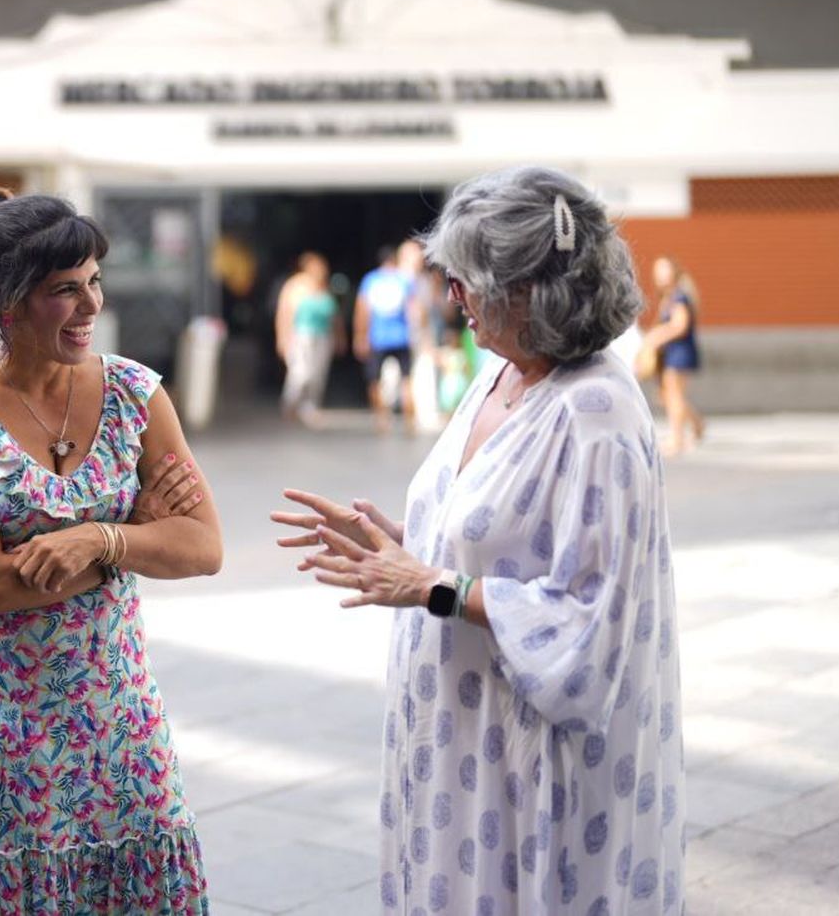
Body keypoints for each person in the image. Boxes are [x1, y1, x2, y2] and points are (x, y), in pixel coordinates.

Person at [273, 167, 684, 914]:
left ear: (529, 289)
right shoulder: (496, 373)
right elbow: (488, 535)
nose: (450, 295)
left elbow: (593, 616)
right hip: (455, 743)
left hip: (527, 763)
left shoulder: (597, 409)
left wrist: (434, 586)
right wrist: (391, 544)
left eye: (466, 280)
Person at [0, 187, 223, 914]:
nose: (90, 307)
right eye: (63, 291)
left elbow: (202, 546)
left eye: (93, 283)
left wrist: (97, 536)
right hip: (6, 722)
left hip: (119, 708)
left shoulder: (137, 395)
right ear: (1, 300)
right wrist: (134, 540)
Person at [642, 256, 705, 455]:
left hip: (680, 351)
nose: (659, 274)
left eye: (664, 269)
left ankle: (677, 439)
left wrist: (656, 337)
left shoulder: (679, 297)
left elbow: (680, 326)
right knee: (670, 395)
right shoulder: (668, 298)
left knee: (673, 395)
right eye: (657, 270)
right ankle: (697, 425)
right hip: (671, 352)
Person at [355, 244, 421, 435]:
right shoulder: (404, 280)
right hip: (402, 337)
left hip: (378, 338)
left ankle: (381, 419)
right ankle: (410, 420)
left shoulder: (371, 280)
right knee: (406, 380)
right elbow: (414, 310)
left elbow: (363, 310)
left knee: (374, 380)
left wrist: (361, 336)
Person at [275, 250, 342, 424]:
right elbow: (284, 313)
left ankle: (310, 406)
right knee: (300, 372)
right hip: (301, 337)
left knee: (317, 374)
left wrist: (340, 337)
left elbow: (335, 316)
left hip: (322, 336)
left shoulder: (324, 288)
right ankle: (290, 404)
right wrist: (282, 338)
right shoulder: (295, 286)